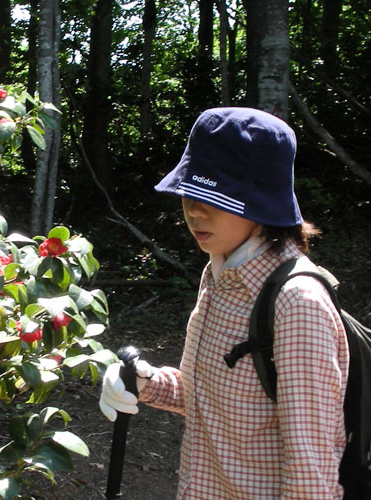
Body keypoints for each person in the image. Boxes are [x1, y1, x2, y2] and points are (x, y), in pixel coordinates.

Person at [99, 107, 350, 499]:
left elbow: (311, 474)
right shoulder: (219, 275)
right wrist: (143, 383)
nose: (195, 210)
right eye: (190, 192)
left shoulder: (297, 303)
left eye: (215, 197)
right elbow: (208, 401)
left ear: (263, 203)